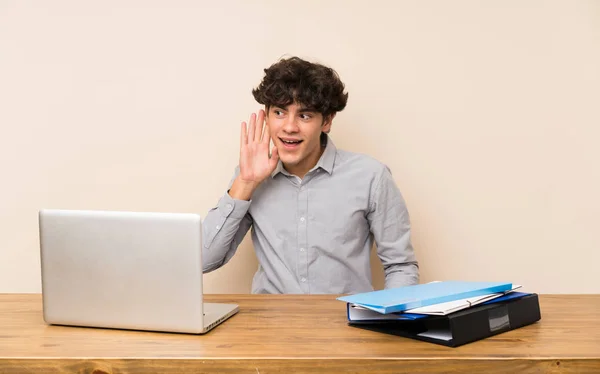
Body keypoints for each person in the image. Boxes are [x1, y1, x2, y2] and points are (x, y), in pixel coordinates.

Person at [202, 56, 419, 294]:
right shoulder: (249, 177)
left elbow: (401, 267)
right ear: (266, 115)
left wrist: (389, 321)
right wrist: (245, 183)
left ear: (326, 121)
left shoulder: (371, 177)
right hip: (269, 326)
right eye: (279, 112)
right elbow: (203, 260)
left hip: (345, 325)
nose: (290, 127)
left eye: (304, 116)